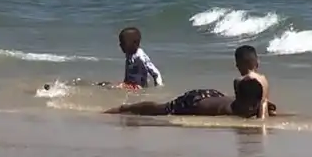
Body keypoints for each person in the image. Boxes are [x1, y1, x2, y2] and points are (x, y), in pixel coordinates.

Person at [105, 45, 277, 118]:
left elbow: (258, 106)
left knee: (162, 107)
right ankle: (125, 108)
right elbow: (257, 107)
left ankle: (126, 108)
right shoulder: (253, 86)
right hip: (196, 102)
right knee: (162, 109)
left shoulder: (243, 87)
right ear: (258, 63)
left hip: (211, 96)